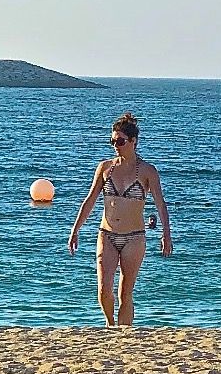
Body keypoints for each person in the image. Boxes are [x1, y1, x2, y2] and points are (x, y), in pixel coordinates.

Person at [67, 112, 173, 327]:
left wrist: (166, 235)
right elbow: (90, 200)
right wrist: (75, 230)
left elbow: (161, 204)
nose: (116, 146)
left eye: (120, 141)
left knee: (125, 291)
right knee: (103, 288)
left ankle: (125, 333)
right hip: (106, 234)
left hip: (134, 238)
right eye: (113, 141)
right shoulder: (105, 168)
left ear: (133, 141)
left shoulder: (148, 171)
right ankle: (110, 325)